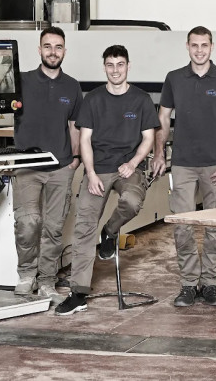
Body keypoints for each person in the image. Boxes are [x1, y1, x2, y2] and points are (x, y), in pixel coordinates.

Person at [55, 45, 159, 315]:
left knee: (133, 201)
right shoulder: (93, 99)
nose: (115, 70)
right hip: (98, 168)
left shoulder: (141, 99)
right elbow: (85, 139)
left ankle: (110, 231)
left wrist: (133, 163)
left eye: (120, 64)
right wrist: (90, 174)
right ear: (104, 67)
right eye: (110, 65)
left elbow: (148, 138)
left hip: (128, 167)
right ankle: (78, 293)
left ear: (128, 66)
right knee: (84, 226)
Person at [152, 26, 216, 307]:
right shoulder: (174, 78)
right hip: (183, 163)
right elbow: (163, 118)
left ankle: (209, 284)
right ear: (187, 46)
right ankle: (189, 284)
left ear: (212, 47)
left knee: (214, 226)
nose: (199, 50)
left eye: (204, 45)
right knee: (182, 225)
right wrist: (159, 153)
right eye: (195, 45)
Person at [12, 26, 82, 305]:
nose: (53, 52)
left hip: (60, 166)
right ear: (39, 49)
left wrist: (75, 159)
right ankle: (26, 274)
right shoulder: (21, 81)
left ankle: (47, 282)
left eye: (58, 47)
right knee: (28, 222)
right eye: (48, 46)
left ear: (65, 51)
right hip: (27, 165)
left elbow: (74, 126)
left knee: (53, 228)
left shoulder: (72, 86)